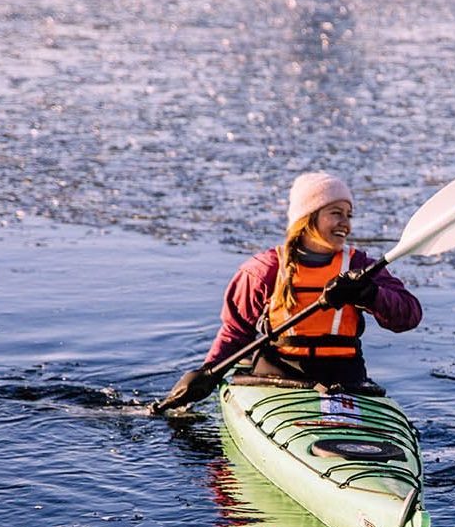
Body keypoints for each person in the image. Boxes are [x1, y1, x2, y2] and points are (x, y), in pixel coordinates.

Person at [162, 172, 422, 409]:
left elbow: (409, 315)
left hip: (346, 383)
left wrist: (368, 293)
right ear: (308, 218)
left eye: (349, 214)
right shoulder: (265, 269)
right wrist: (209, 371)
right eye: (336, 213)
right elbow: (235, 333)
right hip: (275, 380)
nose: (346, 223)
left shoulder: (359, 267)